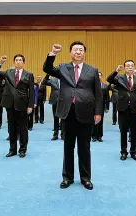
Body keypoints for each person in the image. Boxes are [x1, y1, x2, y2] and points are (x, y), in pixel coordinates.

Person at [43, 42, 103, 190]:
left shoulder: (92, 70)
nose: (78, 52)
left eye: (81, 50)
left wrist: (98, 112)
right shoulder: (63, 67)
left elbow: (98, 93)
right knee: (67, 147)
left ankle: (85, 178)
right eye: (75, 50)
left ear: (84, 53)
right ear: (70, 53)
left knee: (84, 147)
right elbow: (47, 68)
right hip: (67, 112)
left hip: (86, 112)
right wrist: (53, 54)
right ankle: (67, 177)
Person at [0, 54, 34, 158]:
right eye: (16, 60)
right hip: (9, 104)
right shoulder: (8, 72)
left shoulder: (29, 74)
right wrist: (0, 62)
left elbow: (32, 91)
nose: (18, 62)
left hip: (23, 104)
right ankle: (12, 149)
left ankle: (23, 150)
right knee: (12, 128)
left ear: (23, 63)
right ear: (14, 62)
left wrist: (30, 105)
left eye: (20, 60)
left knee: (23, 128)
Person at [107, 61, 136, 160]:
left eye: (132, 66)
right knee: (123, 131)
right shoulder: (120, 78)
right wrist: (116, 70)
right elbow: (109, 79)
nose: (130, 67)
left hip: (135, 108)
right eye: (128, 66)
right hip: (123, 108)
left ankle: (134, 152)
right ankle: (123, 152)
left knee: (134, 131)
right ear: (124, 67)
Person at [43, 74, 63, 140]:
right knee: (56, 117)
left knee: (64, 118)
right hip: (55, 100)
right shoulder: (53, 79)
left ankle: (63, 134)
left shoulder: (66, 79)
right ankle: (55, 134)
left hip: (64, 100)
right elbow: (44, 82)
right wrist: (47, 75)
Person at [92, 72, 110, 142]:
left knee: (100, 121)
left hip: (101, 106)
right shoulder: (91, 86)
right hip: (92, 106)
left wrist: (107, 107)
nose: (98, 76)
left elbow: (107, 98)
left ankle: (99, 136)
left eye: (100, 75)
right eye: (97, 75)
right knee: (93, 121)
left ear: (101, 76)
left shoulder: (105, 86)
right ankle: (93, 136)